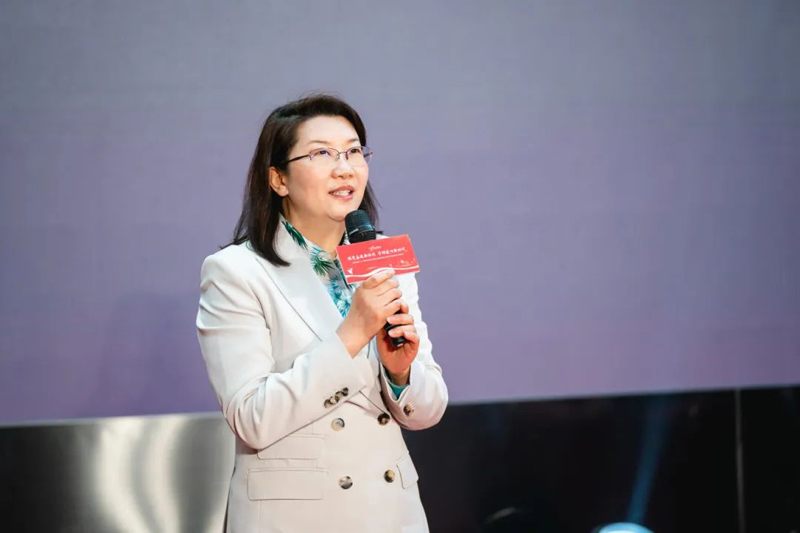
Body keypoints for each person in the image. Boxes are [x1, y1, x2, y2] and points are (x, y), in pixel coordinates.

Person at [196, 94, 448, 533]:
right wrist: (352, 334)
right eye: (322, 154)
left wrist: (400, 373)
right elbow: (251, 419)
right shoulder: (236, 272)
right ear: (278, 179)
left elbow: (427, 410)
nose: (344, 168)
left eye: (353, 152)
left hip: (391, 515)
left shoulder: (383, 259)